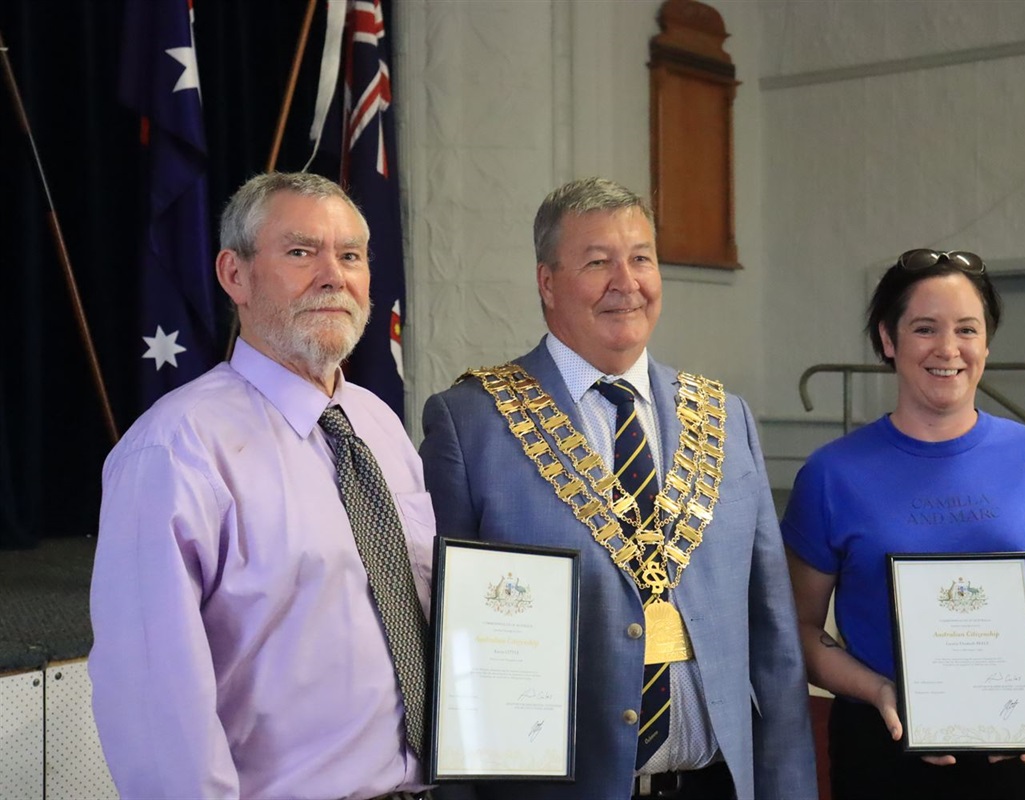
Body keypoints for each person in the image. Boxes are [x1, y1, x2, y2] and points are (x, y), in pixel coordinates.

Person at [420, 177, 818, 800]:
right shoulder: (472, 422)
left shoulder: (723, 416)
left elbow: (774, 638)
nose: (625, 282)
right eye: (597, 262)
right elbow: (449, 650)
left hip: (714, 785)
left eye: (641, 258)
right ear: (547, 282)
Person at [90, 172, 439, 799]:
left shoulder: (380, 426)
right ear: (235, 275)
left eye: (351, 255)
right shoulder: (176, 448)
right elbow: (154, 701)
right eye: (301, 252)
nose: (334, 276)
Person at [781, 249, 1025, 800]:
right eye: (924, 329)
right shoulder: (831, 474)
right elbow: (796, 629)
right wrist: (879, 691)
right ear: (888, 340)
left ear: (986, 343)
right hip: (884, 744)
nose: (948, 349)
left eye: (968, 329)